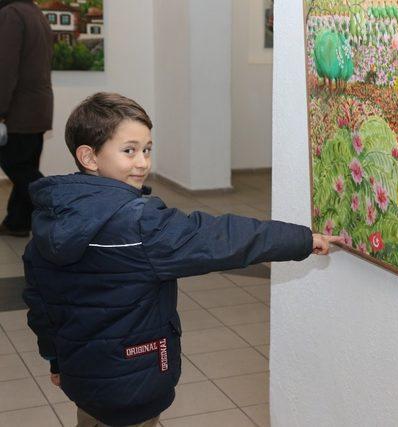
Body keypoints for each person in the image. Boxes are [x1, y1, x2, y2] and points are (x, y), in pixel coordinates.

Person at [22, 92, 342, 427]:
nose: (143, 162)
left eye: (147, 149)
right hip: (133, 378)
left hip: (85, 375)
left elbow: (40, 300)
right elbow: (221, 238)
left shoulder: (53, 214)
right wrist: (303, 239)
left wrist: (55, 358)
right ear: (89, 157)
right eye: (129, 150)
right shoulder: (139, 223)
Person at [0, 0, 53, 236]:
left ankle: (61, 206)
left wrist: (0, 110)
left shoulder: (11, 13)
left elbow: (4, 68)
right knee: (26, 165)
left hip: (18, 110)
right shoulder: (34, 11)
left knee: (18, 166)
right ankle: (18, 222)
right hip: (37, 106)